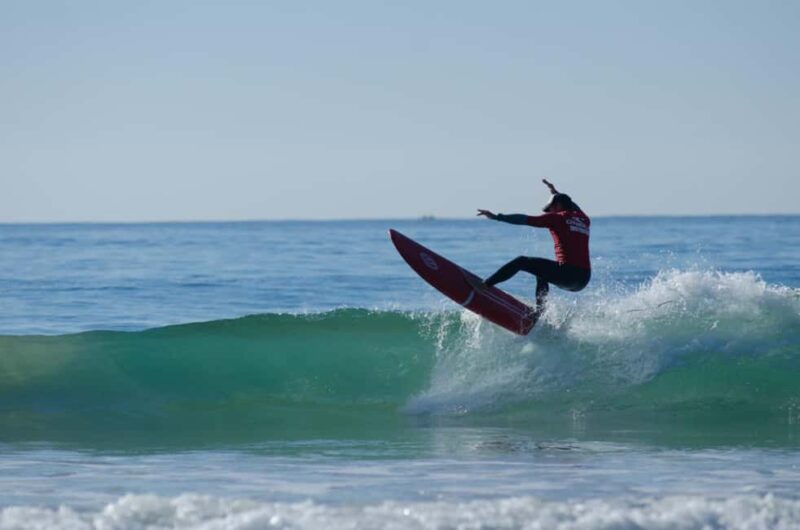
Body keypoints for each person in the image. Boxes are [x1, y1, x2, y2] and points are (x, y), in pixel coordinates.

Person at [475, 179, 591, 320]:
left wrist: (497, 217)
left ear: (559, 206)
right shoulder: (584, 219)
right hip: (583, 279)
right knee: (542, 273)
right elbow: (572, 205)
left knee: (521, 261)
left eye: (551, 208)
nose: (550, 212)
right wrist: (556, 193)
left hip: (567, 274)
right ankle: (540, 313)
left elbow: (524, 219)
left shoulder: (557, 218)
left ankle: (484, 286)